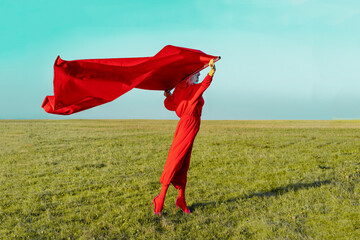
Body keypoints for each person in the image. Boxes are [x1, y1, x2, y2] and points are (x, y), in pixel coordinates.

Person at [151, 59, 216, 215]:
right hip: (187, 127)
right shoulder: (192, 90)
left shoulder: (182, 91)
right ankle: (160, 198)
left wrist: (169, 95)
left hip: (188, 127)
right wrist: (212, 71)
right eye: (196, 73)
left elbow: (170, 105)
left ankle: (181, 198)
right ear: (189, 77)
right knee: (176, 160)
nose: (199, 73)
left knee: (183, 162)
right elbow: (205, 85)